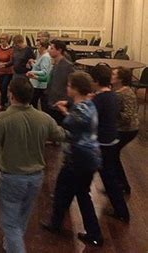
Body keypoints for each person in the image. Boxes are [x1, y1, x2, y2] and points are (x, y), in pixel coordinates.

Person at [0, 78, 66, 253]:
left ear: (11, 95)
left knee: (10, 224)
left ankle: (14, 246)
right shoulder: (44, 118)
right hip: (36, 178)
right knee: (22, 217)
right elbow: (60, 135)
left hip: (11, 177)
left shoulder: (4, 118)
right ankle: (9, 245)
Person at [41, 71, 104, 247]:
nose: (67, 88)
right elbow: (78, 109)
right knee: (65, 191)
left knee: (78, 194)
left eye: (69, 86)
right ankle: (56, 223)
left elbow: (70, 123)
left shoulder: (81, 110)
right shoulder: (89, 103)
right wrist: (68, 104)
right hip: (87, 158)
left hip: (80, 160)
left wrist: (63, 111)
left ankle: (94, 233)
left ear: (76, 89)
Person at [89, 64, 130, 222]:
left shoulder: (100, 99)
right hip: (111, 140)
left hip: (103, 143)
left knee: (108, 179)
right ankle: (122, 211)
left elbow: (90, 118)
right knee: (109, 177)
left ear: (97, 81)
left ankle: (122, 212)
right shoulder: (112, 95)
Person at [111, 67, 139, 194]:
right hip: (123, 128)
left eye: (113, 74)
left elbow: (128, 116)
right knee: (113, 156)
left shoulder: (125, 93)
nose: (111, 75)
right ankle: (120, 184)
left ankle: (122, 185)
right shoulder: (118, 91)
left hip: (127, 130)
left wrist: (113, 113)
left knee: (112, 155)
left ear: (120, 79)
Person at [43, 40, 74, 125]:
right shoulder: (56, 63)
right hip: (52, 101)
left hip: (59, 104)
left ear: (59, 50)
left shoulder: (67, 66)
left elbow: (70, 86)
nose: (49, 50)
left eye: (52, 48)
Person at [27, 40, 51, 109]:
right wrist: (32, 62)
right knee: (33, 103)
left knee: (33, 103)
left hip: (39, 85)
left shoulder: (45, 57)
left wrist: (32, 72)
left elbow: (44, 72)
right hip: (36, 83)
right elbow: (38, 66)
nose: (37, 47)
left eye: (38, 45)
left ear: (43, 47)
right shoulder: (41, 55)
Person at [0, 33, 13, 111]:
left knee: (4, 86)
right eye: (1, 39)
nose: (2, 40)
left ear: (7, 40)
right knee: (1, 88)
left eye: (3, 39)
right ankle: (5, 100)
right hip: (0, 71)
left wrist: (5, 64)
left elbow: (12, 61)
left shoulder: (11, 49)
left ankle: (2, 104)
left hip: (8, 72)